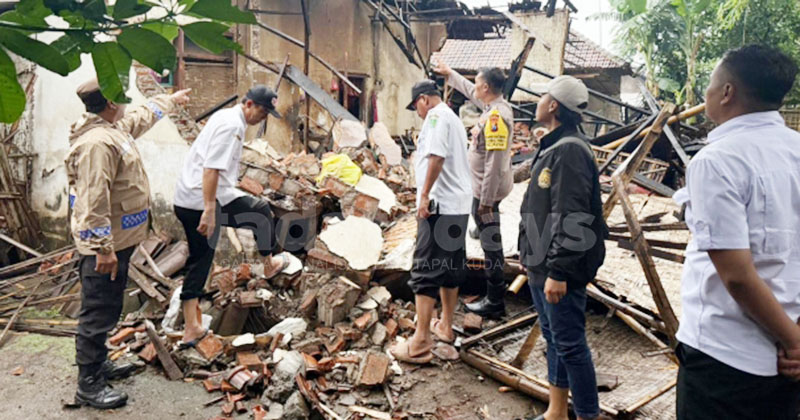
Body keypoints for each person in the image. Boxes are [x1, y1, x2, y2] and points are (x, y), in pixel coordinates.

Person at [674, 45, 800, 420]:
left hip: (726, 355)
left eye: (711, 85)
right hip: (786, 361)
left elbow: (738, 277)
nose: (706, 94)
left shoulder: (717, 160)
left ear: (727, 93)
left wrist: (793, 342)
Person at [67, 79, 190, 408]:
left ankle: (99, 364)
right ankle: (88, 384)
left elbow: (140, 116)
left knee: (107, 307)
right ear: (109, 103)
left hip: (118, 242)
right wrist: (102, 250)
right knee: (98, 312)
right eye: (120, 97)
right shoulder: (97, 143)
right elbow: (92, 201)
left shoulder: (112, 128)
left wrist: (170, 100)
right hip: (104, 249)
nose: (125, 101)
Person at [518, 75, 608, 420]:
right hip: (543, 262)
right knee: (555, 341)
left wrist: (558, 270)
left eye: (543, 96)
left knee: (570, 346)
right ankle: (556, 412)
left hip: (559, 269)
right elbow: (541, 206)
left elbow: (572, 215)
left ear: (553, 105)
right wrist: (529, 255)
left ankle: (588, 415)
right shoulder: (555, 144)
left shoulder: (569, 150)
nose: (539, 101)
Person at [173, 86, 291, 347]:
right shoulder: (232, 127)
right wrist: (210, 211)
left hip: (190, 198)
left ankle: (191, 326)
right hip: (200, 200)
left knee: (200, 259)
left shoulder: (227, 117)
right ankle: (269, 265)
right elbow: (211, 169)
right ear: (248, 104)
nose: (263, 117)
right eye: (261, 110)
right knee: (259, 212)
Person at [390, 80, 472, 363]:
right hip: (457, 205)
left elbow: (436, 157)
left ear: (424, 99)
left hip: (439, 205)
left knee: (424, 270)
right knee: (450, 267)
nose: (418, 112)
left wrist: (423, 195)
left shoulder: (437, 117)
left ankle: (421, 342)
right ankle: (446, 327)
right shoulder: (453, 117)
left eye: (416, 107)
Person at [434, 62, 513, 318]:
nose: (475, 86)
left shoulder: (496, 118)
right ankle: (494, 294)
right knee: (487, 236)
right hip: (480, 189)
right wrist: (450, 74)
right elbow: (469, 90)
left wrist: (486, 202)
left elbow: (496, 163)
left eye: (478, 83)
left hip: (484, 193)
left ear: (487, 87)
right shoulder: (492, 107)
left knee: (492, 244)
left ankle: (495, 301)